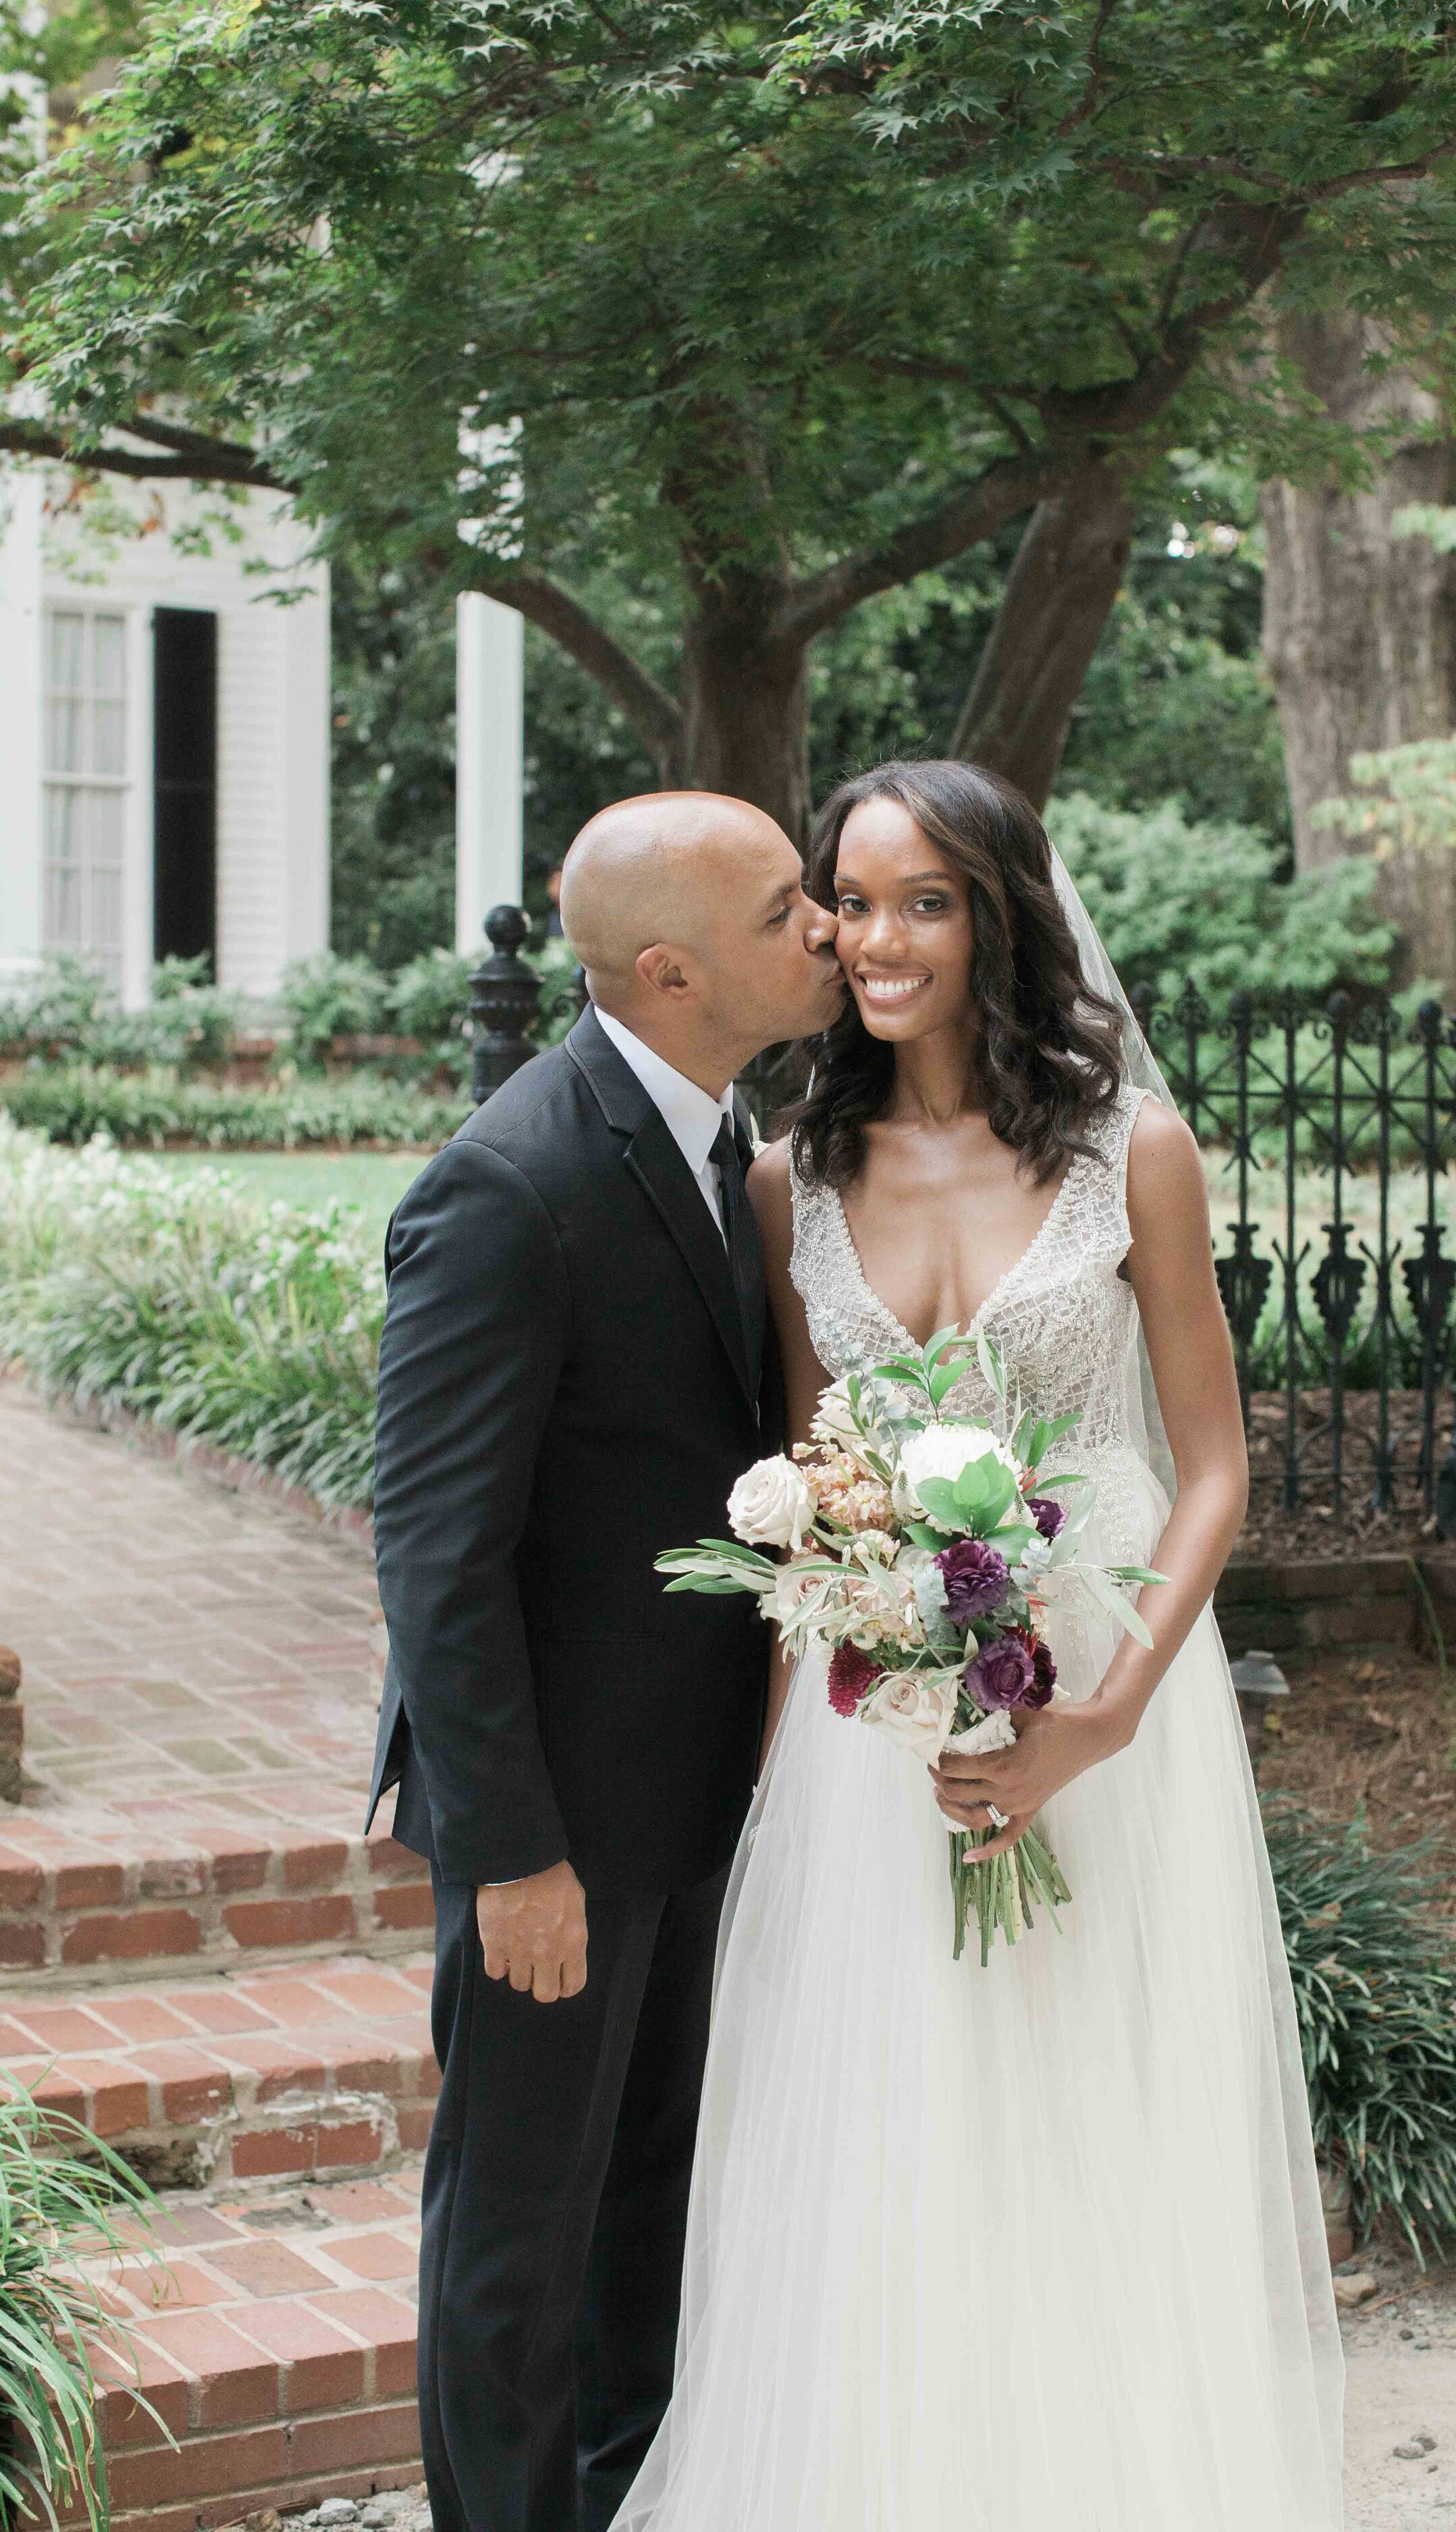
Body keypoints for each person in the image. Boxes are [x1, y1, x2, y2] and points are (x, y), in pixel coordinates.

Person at [614, 760, 1345, 2531]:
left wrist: (1096, 1717)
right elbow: (817, 1476)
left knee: (1086, 2132)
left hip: (1106, 1705)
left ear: (996, 912)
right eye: (848, 902)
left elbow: (1213, 1465)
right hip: (881, 1729)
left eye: (920, 901)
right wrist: (811, 1730)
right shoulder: (795, 1179)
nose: (875, 940)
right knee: (891, 2148)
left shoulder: (1128, 1154)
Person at [367, 791, 844, 2532]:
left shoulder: (723, 1137)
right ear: (669, 970)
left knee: (652, 2203)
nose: (828, 926)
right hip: (557, 1831)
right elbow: (437, 1553)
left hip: (696, 1795)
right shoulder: (512, 1183)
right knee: (518, 2232)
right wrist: (514, 1856)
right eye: (791, 904)